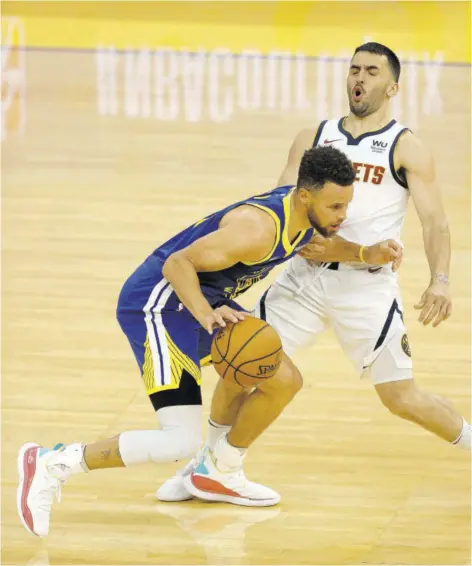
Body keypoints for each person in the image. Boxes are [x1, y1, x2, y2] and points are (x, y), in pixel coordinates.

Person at [161, 42, 471, 505]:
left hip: (364, 289)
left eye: (371, 71)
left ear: (393, 86)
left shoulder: (406, 147)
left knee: (401, 397)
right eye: (354, 70)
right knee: (239, 367)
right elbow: (283, 208)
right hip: (302, 280)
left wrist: (440, 280)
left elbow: (435, 222)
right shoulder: (314, 135)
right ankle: (213, 467)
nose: (359, 79)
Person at [18, 145, 369, 537]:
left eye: (345, 206)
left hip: (198, 302)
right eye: (336, 207)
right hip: (159, 306)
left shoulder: (306, 217)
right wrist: (207, 315)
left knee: (282, 379)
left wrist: (369, 253)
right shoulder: (258, 230)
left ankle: (217, 470)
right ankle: (53, 462)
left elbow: (316, 241)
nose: (342, 216)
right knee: (177, 441)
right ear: (305, 196)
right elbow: (177, 264)